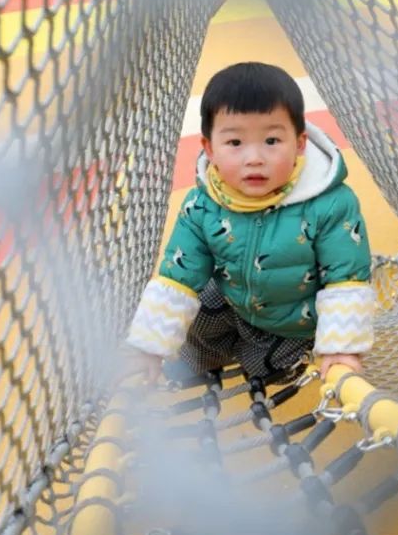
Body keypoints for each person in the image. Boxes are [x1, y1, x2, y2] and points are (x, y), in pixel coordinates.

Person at [122, 62, 376, 384]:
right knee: (198, 327)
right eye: (235, 143)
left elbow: (346, 277)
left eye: (271, 141)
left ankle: (257, 365)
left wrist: (342, 347)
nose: (254, 158)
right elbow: (179, 275)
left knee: (265, 367)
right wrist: (150, 347)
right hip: (232, 295)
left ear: (299, 144)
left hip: (291, 319)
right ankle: (203, 360)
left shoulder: (330, 204)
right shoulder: (203, 204)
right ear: (210, 149)